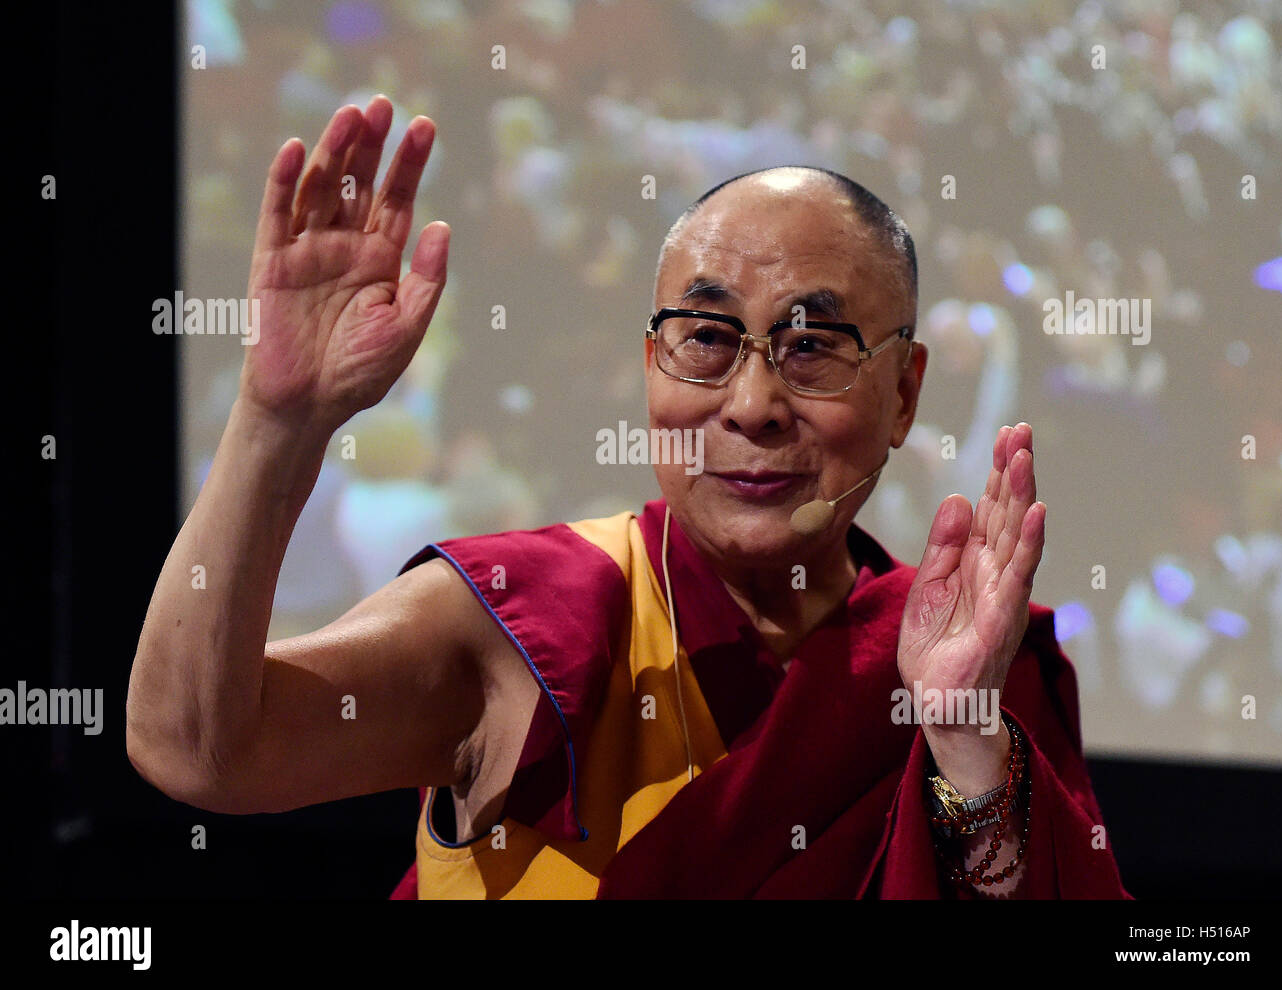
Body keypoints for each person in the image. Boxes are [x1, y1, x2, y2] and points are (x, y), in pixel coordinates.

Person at [126, 95, 1129, 899]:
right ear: (650, 366)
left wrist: (961, 744)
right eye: (705, 339)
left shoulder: (969, 664)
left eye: (813, 347)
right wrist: (277, 419)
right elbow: (198, 750)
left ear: (903, 392)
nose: (752, 405)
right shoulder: (528, 620)